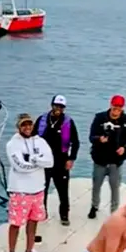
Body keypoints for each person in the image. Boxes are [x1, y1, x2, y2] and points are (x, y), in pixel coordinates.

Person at [4, 113, 53, 252]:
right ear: (19, 127)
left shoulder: (40, 141)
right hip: (20, 190)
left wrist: (34, 160)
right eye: (24, 125)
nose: (27, 127)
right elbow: (20, 166)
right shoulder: (12, 144)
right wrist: (39, 163)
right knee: (16, 223)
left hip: (38, 189)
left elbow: (50, 161)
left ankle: (30, 250)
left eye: (29, 124)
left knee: (34, 221)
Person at [33, 94, 80, 226]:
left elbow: (75, 142)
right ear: (52, 105)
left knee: (63, 191)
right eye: (56, 105)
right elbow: (33, 139)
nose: (58, 108)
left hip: (61, 162)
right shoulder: (42, 119)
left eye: (61, 106)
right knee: (43, 190)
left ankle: (64, 215)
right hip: (43, 162)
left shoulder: (68, 122)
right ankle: (42, 213)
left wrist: (71, 159)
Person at [88, 94, 126, 219]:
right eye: (114, 108)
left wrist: (125, 148)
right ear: (111, 105)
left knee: (115, 187)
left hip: (116, 161)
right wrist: (99, 139)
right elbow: (91, 136)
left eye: (119, 109)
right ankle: (94, 206)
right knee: (96, 185)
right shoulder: (99, 118)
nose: (116, 112)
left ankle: (114, 211)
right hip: (100, 159)